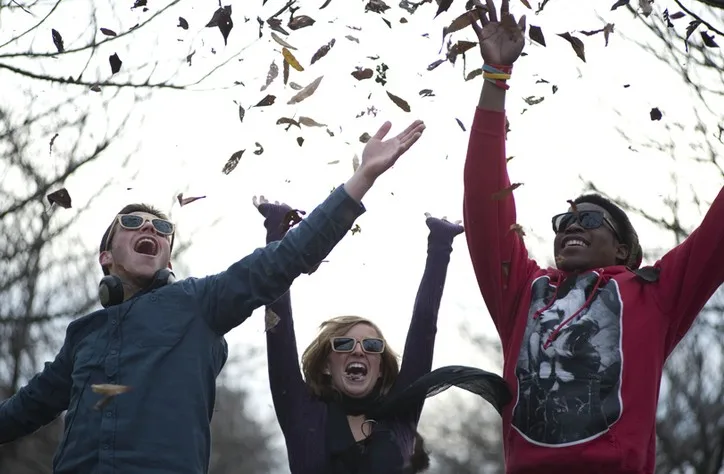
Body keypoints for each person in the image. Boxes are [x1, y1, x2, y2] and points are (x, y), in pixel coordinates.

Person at [0, 119, 426, 474]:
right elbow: (22, 411)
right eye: (132, 221)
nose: (150, 229)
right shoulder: (82, 336)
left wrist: (362, 178)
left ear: (168, 258)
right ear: (105, 256)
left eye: (162, 228)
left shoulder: (198, 304)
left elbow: (286, 258)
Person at [463, 1, 724, 473]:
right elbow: (486, 203)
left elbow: (718, 234)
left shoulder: (654, 293)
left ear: (623, 248)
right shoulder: (524, 293)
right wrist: (495, 77)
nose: (572, 227)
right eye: (564, 223)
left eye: (589, 220)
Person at [255, 200, 511, 474]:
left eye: (372, 345)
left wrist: (440, 246)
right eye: (344, 344)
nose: (358, 351)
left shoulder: (401, 412)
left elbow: (424, 327)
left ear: (380, 369)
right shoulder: (302, 412)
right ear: (327, 365)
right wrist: (276, 235)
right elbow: (278, 330)